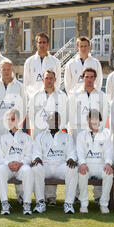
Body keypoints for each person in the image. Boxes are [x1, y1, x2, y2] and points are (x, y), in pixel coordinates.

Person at [29, 69, 69, 205]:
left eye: (52, 78)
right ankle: (40, 196)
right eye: (47, 78)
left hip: (55, 133)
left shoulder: (62, 96)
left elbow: (66, 115)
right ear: (43, 80)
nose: (49, 80)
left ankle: (51, 196)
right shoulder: (35, 96)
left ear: (55, 79)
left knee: (54, 160)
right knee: (41, 163)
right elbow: (31, 116)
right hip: (40, 133)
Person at [30, 112, 78, 214]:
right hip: (46, 166)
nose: (55, 122)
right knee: (36, 167)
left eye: (57, 119)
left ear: (60, 121)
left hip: (60, 167)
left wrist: (71, 158)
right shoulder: (40, 136)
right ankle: (40, 202)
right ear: (47, 121)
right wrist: (37, 158)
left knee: (73, 168)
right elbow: (36, 152)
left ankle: (68, 204)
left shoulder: (67, 137)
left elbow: (72, 152)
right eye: (52, 119)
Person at [0, 109, 34, 215]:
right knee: (0, 170)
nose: (10, 122)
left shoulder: (27, 138)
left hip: (21, 166)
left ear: (19, 120)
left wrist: (21, 163)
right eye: (8, 119)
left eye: (13, 119)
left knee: (28, 171)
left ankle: (27, 203)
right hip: (7, 167)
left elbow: (29, 156)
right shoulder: (1, 138)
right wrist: (8, 163)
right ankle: (5, 203)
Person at [76, 109, 113, 214]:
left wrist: (108, 163)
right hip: (87, 165)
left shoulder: (106, 134)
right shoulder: (81, 135)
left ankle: (104, 204)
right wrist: (82, 163)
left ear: (100, 120)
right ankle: (84, 204)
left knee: (109, 174)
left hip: (101, 166)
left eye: (96, 118)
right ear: (88, 120)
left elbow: (109, 151)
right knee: (82, 173)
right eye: (92, 118)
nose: (94, 121)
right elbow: (80, 152)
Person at [0, 59, 27, 148]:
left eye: (8, 69)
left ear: (12, 70)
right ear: (0, 70)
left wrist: (18, 124)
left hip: (14, 124)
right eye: (4, 69)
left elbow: (23, 107)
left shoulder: (20, 87)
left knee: (13, 150)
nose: (6, 72)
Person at [68, 67, 109, 141]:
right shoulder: (75, 95)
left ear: (95, 78)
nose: (89, 79)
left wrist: (101, 130)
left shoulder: (102, 95)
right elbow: (70, 115)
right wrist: (71, 131)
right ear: (83, 78)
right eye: (87, 77)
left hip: (96, 132)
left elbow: (105, 115)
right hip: (78, 132)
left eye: (91, 77)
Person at [23, 32, 61, 99]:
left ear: (48, 44)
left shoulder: (56, 62)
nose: (42, 45)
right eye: (40, 42)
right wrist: (32, 97)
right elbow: (26, 83)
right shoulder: (29, 62)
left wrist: (51, 96)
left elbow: (57, 82)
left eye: (44, 42)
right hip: (34, 100)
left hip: (50, 99)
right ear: (36, 44)